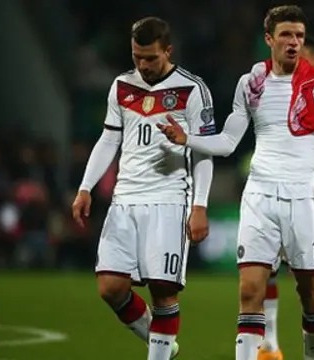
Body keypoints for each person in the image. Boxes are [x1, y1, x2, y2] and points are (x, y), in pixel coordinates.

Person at [157, 6, 314, 360]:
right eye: (286, 35)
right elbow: (228, 141)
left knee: (311, 294)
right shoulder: (251, 83)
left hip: (304, 197)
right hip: (260, 195)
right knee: (250, 290)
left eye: (298, 35)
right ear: (269, 39)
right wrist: (186, 138)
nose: (294, 42)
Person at [71, 17, 215, 360]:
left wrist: (200, 205)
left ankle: (159, 353)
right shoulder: (122, 85)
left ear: (168, 50)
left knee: (163, 291)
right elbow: (109, 139)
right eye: (137, 57)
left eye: (150, 57)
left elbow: (205, 151)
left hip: (169, 200)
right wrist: (85, 187)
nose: (143, 65)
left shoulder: (192, 89)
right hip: (125, 199)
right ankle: (164, 345)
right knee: (110, 287)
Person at [260, 35, 314, 360]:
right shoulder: (278, 94)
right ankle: (269, 343)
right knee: (270, 265)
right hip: (283, 190)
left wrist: (312, 174)